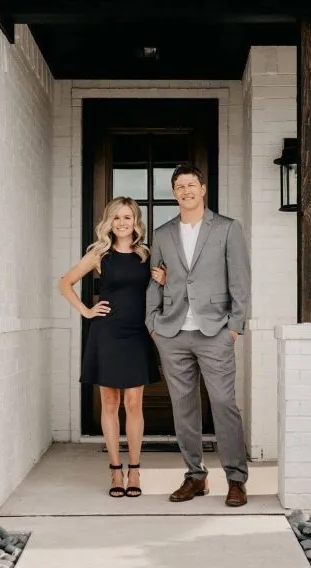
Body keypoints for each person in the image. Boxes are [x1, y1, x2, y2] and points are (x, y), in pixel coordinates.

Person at [146, 163, 252, 507]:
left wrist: (235, 326)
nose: (186, 191)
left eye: (191, 185)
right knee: (183, 408)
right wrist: (153, 323)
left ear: (203, 189)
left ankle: (236, 479)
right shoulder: (162, 234)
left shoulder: (226, 228)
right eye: (180, 186)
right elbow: (155, 279)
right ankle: (195, 476)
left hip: (215, 331)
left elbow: (240, 280)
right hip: (173, 332)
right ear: (174, 193)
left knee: (224, 404)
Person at [59, 197, 167, 498]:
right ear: (109, 222)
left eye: (127, 217)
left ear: (136, 221)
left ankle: (135, 470)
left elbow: (161, 292)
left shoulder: (146, 254)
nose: (122, 223)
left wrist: (165, 280)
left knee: (134, 404)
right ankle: (115, 471)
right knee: (109, 404)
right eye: (116, 218)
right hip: (106, 334)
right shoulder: (99, 254)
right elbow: (65, 282)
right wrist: (86, 311)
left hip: (136, 333)